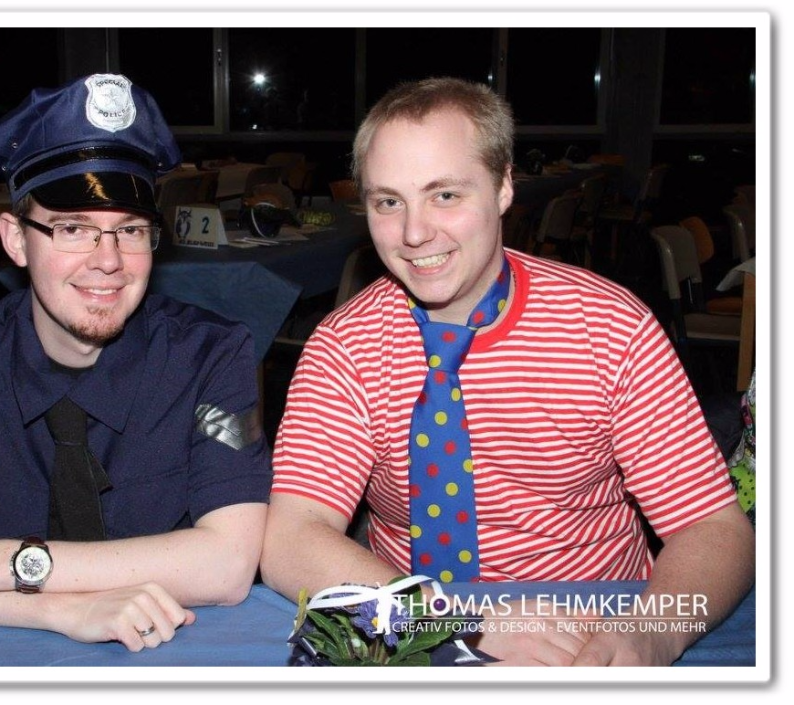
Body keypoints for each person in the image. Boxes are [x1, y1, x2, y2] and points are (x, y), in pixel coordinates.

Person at [260, 77, 754, 667]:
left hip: (593, 631)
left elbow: (714, 529)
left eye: (445, 195)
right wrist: (456, 622)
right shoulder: (344, 345)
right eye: (388, 202)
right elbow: (292, 538)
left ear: (503, 187)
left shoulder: (610, 327)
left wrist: (651, 634)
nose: (414, 233)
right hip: (418, 630)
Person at [0, 73, 272, 650]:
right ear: (16, 240)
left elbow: (228, 564)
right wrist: (51, 610)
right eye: (72, 228)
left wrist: (5, 563)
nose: (108, 261)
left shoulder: (207, 356)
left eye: (130, 230)